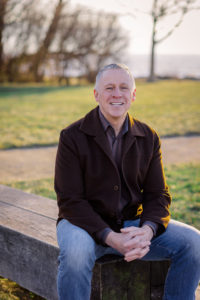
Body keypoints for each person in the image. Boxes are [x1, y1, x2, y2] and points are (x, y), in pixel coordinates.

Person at [54, 63, 200, 300]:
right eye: (109, 87)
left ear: (133, 95)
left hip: (133, 224)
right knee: (77, 253)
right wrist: (111, 237)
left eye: (124, 88)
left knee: (194, 242)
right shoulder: (71, 137)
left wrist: (147, 231)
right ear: (96, 94)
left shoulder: (148, 136)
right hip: (82, 225)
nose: (117, 94)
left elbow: (157, 194)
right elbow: (70, 201)